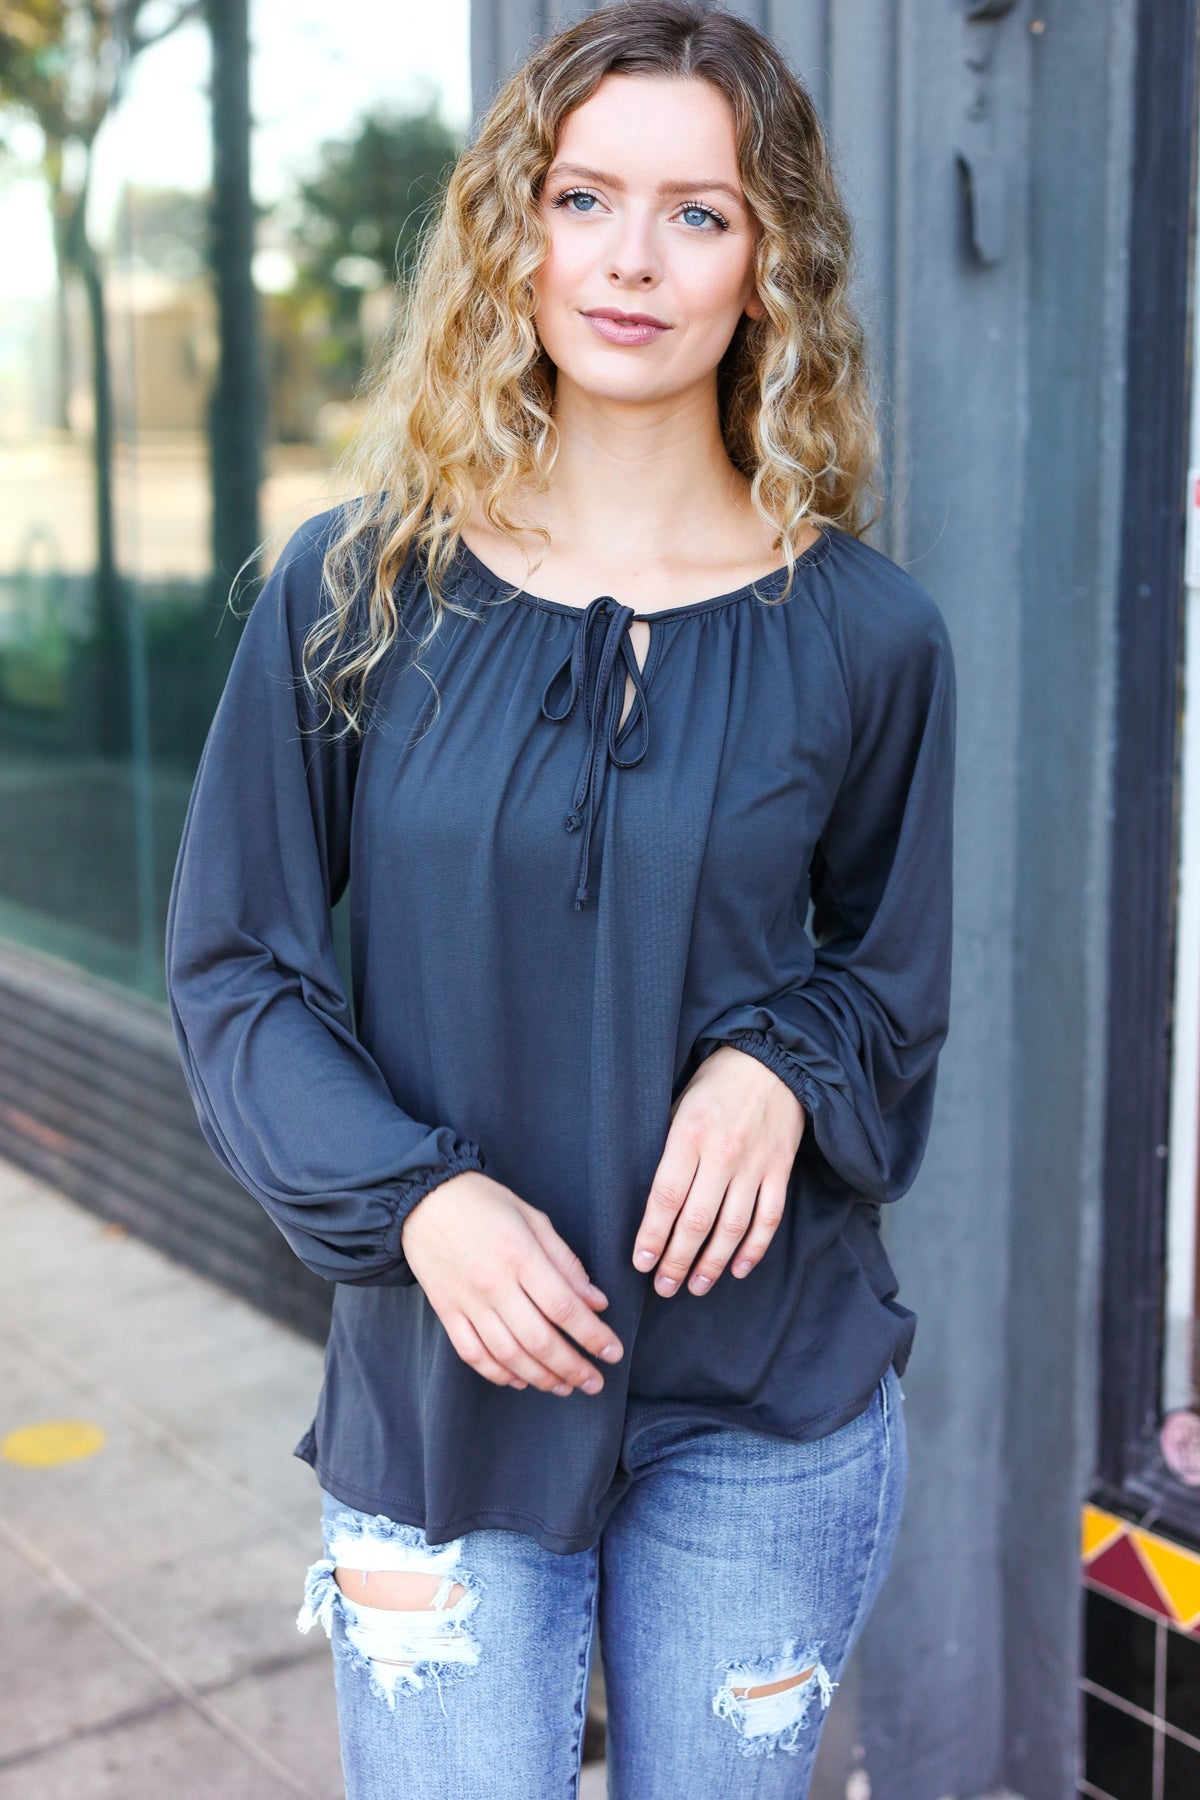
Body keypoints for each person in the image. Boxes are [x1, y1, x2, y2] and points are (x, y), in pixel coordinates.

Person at [164, 3, 956, 1794]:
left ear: (768, 266)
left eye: (699, 212)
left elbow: (891, 982)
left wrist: (778, 1067)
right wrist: (421, 1203)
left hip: (767, 1402)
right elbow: (236, 972)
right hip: (447, 1397)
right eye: (583, 198)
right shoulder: (355, 593)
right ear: (513, 232)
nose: (631, 259)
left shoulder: (869, 635)